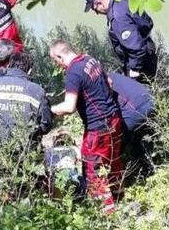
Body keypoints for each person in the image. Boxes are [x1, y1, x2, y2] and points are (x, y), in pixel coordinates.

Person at [49, 39, 123, 215]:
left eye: (55, 60)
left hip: (98, 128)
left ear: (60, 56)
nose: (57, 65)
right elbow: (110, 83)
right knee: (113, 163)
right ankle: (120, 200)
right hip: (115, 119)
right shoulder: (90, 60)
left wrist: (49, 109)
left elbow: (69, 107)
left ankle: (107, 216)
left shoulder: (73, 72)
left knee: (93, 171)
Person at [0, 40, 52, 146]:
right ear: (30, 70)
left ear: (9, 66)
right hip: (24, 152)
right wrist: (33, 134)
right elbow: (46, 125)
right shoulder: (37, 91)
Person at [83, 0, 157, 82]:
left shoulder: (118, 18)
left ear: (99, 3)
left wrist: (134, 70)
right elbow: (147, 23)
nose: (96, 13)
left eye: (95, 9)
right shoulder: (123, 1)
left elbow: (137, 48)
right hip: (148, 52)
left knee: (140, 94)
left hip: (141, 65)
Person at [107, 72, 155, 176]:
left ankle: (111, 174)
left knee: (117, 140)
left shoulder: (101, 85)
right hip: (150, 99)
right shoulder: (113, 75)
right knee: (139, 136)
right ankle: (147, 165)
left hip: (137, 109)